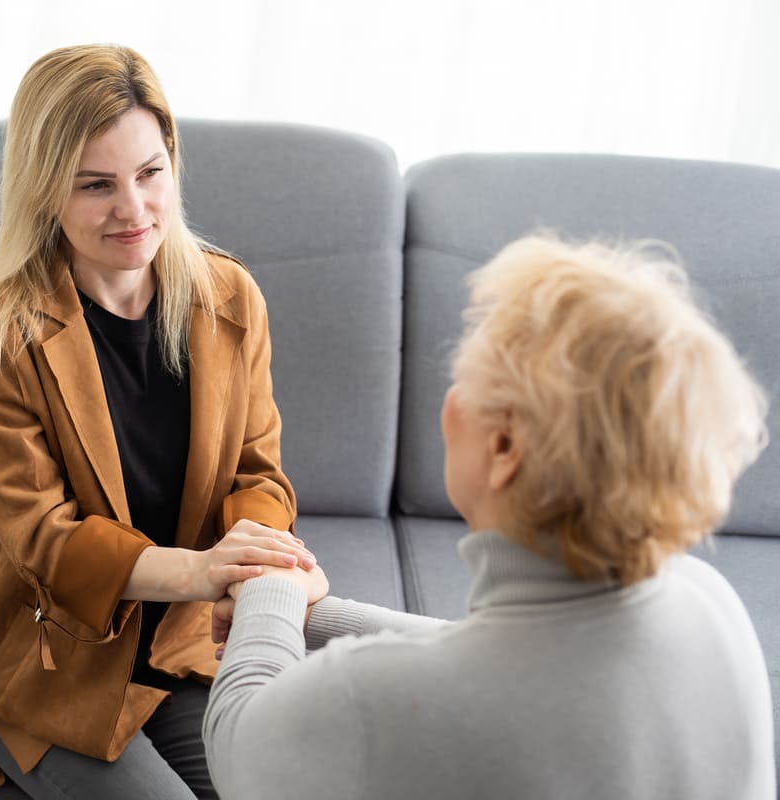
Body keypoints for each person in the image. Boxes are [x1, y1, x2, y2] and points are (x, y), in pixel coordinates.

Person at [203, 234, 775, 799]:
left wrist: (270, 588)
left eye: (463, 378)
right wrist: (320, 615)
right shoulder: (708, 601)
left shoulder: (372, 703)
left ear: (505, 448)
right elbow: (516, 662)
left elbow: (238, 747)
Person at [0, 43, 313, 800]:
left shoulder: (230, 298)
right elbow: (47, 539)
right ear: (44, 189)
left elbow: (258, 473)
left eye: (149, 173)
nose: (134, 210)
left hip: (184, 648)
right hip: (47, 661)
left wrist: (257, 559)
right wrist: (201, 573)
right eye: (96, 185)